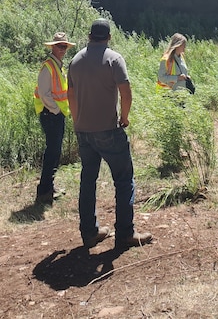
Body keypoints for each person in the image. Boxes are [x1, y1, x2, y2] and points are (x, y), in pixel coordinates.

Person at [67, 18, 152, 251]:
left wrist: (77, 121)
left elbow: (70, 96)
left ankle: (90, 232)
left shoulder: (74, 61)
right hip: (108, 130)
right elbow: (126, 91)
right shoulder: (114, 58)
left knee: (88, 181)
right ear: (109, 37)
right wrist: (124, 117)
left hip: (83, 131)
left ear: (89, 35)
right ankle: (125, 233)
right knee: (124, 180)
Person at [34, 31, 75, 205]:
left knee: (54, 152)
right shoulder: (48, 66)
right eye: (59, 46)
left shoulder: (58, 65)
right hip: (50, 114)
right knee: (52, 153)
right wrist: (56, 110)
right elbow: (44, 93)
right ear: (52, 47)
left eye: (64, 46)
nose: (62, 49)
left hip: (55, 114)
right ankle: (44, 191)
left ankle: (49, 188)